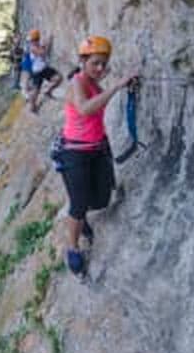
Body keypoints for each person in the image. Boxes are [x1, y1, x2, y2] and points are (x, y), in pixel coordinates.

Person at [57, 35, 137, 279]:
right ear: (83, 61)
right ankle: (72, 247)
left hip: (96, 148)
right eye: (96, 63)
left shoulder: (94, 83)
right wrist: (117, 86)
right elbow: (84, 108)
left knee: (102, 199)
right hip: (74, 153)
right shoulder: (77, 83)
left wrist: (125, 87)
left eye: (104, 63)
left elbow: (98, 106)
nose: (101, 68)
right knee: (79, 205)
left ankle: (81, 219)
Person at [27, 29, 62, 113]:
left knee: (58, 78)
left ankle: (48, 92)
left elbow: (44, 51)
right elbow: (43, 53)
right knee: (36, 91)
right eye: (32, 40)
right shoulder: (33, 48)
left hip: (44, 69)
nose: (32, 42)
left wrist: (47, 43)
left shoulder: (38, 45)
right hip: (37, 72)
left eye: (33, 40)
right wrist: (48, 42)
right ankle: (32, 106)